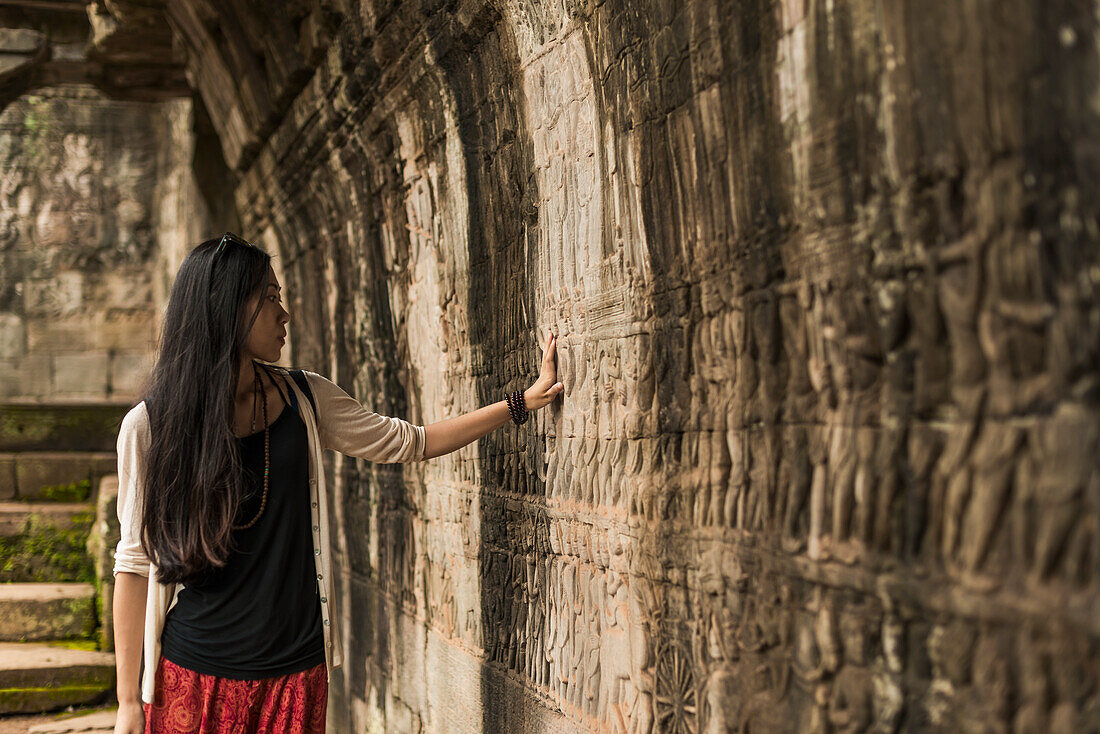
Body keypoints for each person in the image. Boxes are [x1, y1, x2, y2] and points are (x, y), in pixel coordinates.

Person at [112, 232, 564, 733]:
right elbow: (133, 564)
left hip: (295, 676)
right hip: (192, 679)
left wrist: (522, 402)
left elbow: (410, 441)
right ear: (229, 310)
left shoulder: (306, 399)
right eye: (271, 298)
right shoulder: (151, 426)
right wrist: (128, 702)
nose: (284, 315)